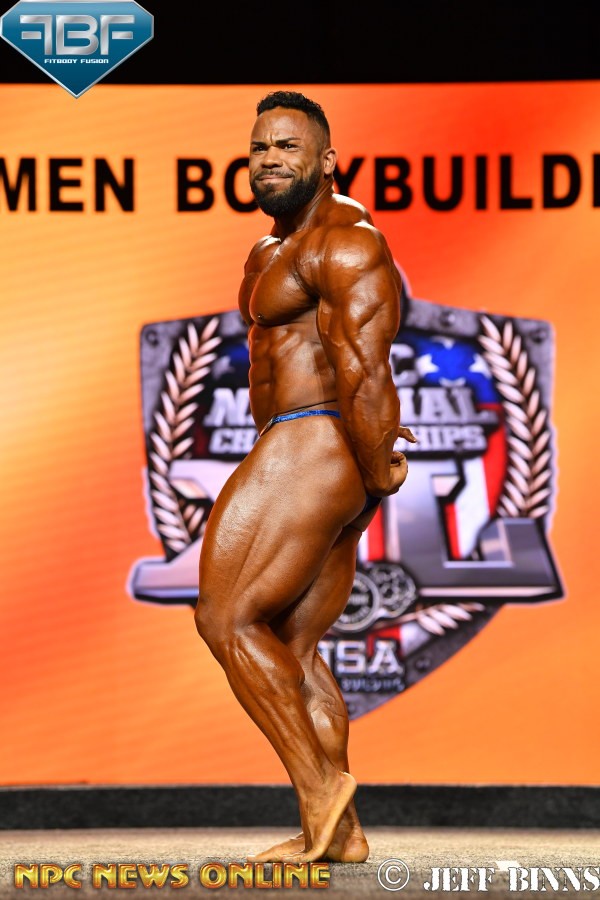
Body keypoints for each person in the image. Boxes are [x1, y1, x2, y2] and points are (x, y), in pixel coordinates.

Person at [194, 90, 416, 864]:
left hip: (315, 440)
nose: (268, 159)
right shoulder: (269, 250)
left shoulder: (347, 240)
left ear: (327, 160)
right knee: (294, 646)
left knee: (225, 619)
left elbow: (364, 365)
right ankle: (340, 834)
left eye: (286, 147)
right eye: (259, 148)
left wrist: (377, 461)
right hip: (300, 444)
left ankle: (323, 792)